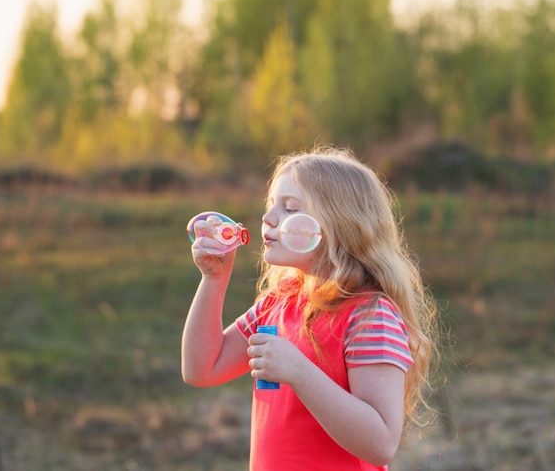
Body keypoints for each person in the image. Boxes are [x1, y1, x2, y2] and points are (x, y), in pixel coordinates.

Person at [181, 146, 437, 470]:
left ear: (338, 226)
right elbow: (201, 369)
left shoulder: (370, 316)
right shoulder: (276, 304)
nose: (268, 218)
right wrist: (214, 279)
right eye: (271, 204)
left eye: (289, 208)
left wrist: (298, 372)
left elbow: (381, 443)